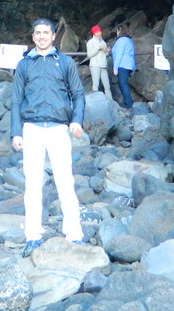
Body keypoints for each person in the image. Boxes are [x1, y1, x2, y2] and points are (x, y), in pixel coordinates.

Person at [10, 18, 85, 256]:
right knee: (33, 185)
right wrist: (15, 132)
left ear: (54, 36)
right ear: (33, 37)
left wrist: (77, 120)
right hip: (31, 128)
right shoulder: (24, 65)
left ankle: (74, 233)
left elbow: (78, 94)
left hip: (58, 129)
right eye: (37, 33)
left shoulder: (64, 63)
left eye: (46, 32)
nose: (42, 36)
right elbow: (16, 100)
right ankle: (32, 235)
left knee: (65, 181)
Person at [111, 22, 136, 110]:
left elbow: (119, 54)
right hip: (129, 65)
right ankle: (128, 102)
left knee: (123, 84)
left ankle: (128, 104)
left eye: (117, 30)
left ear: (119, 31)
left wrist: (115, 67)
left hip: (123, 65)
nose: (116, 32)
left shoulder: (121, 41)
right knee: (124, 83)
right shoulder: (129, 40)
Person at [85, 24, 112, 98]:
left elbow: (105, 54)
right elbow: (89, 55)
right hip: (95, 65)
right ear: (94, 33)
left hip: (103, 65)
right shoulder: (90, 42)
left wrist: (107, 51)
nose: (99, 33)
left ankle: (111, 102)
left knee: (107, 86)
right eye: (97, 32)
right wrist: (97, 48)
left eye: (99, 31)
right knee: (95, 84)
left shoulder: (103, 42)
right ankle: (95, 102)